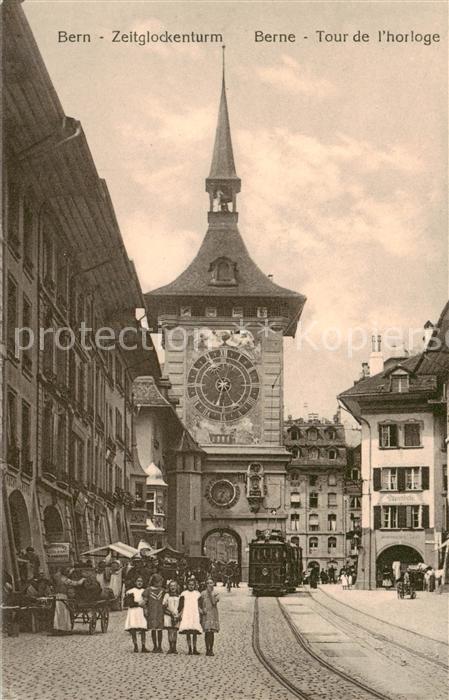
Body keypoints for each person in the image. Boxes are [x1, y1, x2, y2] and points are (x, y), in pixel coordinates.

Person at [52, 568, 85, 634]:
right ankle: (65, 628)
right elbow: (76, 583)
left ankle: (58, 628)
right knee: (64, 612)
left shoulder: (58, 577)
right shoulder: (65, 579)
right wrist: (83, 579)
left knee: (58, 613)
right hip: (63, 596)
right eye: (68, 572)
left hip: (58, 596)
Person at [178, 577, 202, 655]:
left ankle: (195, 648)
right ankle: (189, 648)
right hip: (187, 613)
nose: (191, 586)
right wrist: (180, 613)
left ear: (195, 585)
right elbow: (181, 605)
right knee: (188, 631)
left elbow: (199, 604)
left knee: (194, 631)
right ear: (187, 585)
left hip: (194, 613)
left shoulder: (197, 594)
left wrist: (200, 611)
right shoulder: (184, 593)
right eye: (189, 585)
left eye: (192, 585)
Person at [124, 576, 148, 653]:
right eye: (138, 581)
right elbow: (129, 603)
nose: (139, 583)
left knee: (143, 628)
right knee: (133, 628)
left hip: (141, 611)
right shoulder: (130, 591)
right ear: (135, 582)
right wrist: (138, 603)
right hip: (133, 611)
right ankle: (135, 645)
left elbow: (147, 602)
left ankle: (143, 645)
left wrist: (144, 606)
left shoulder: (145, 591)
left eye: (141, 581)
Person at [142, 573, 165, 652]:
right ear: (154, 582)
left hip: (160, 611)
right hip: (152, 611)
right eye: (158, 582)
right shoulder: (148, 590)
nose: (160, 583)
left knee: (160, 629)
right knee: (153, 629)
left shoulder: (162, 590)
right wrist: (145, 609)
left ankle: (160, 646)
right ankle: (155, 646)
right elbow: (144, 602)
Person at [199, 577, 219, 656]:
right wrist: (201, 610)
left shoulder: (216, 593)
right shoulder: (202, 593)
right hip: (205, 614)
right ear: (206, 584)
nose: (210, 585)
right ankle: (207, 649)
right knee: (207, 632)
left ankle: (211, 649)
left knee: (212, 632)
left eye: (211, 583)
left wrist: (210, 593)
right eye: (208, 583)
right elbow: (199, 603)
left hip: (213, 614)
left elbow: (214, 603)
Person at [163, 580, 180, 654]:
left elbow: (181, 606)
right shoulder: (167, 595)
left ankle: (175, 647)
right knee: (170, 631)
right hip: (168, 615)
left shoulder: (179, 596)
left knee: (175, 631)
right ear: (169, 587)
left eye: (174, 586)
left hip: (176, 615)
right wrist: (170, 613)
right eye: (171, 586)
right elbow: (163, 605)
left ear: (177, 587)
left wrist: (178, 615)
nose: (173, 587)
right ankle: (170, 647)